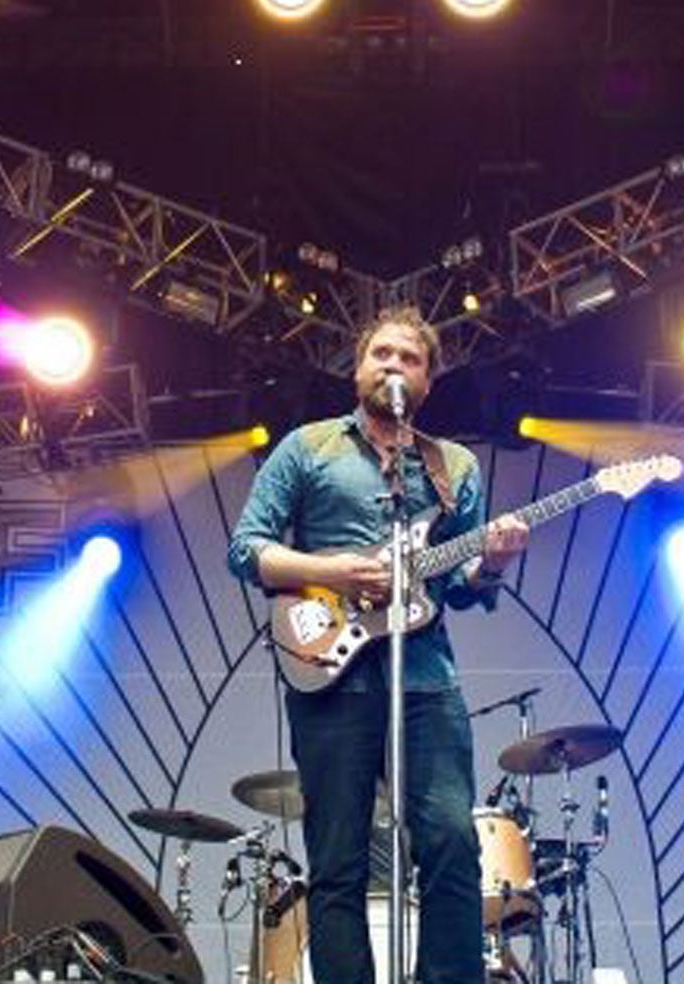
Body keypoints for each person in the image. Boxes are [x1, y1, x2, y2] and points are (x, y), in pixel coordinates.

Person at [229, 306, 527, 984]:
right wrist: (333, 571)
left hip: (425, 679)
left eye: (409, 359)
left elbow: (458, 583)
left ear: (427, 381)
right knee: (337, 861)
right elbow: (246, 550)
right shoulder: (308, 448)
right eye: (380, 355)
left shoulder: (452, 465)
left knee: (452, 842)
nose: (392, 366)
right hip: (330, 675)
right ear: (358, 368)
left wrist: (498, 559)